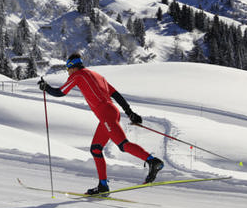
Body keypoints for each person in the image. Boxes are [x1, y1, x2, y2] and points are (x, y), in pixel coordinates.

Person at [38, 52, 164, 194]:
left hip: (106, 114)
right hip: (111, 112)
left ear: (72, 67)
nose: (68, 73)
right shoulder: (97, 76)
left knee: (123, 145)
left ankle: (152, 161)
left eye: (68, 70)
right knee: (96, 149)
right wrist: (129, 112)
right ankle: (103, 185)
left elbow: (60, 92)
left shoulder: (78, 75)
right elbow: (116, 94)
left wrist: (46, 87)